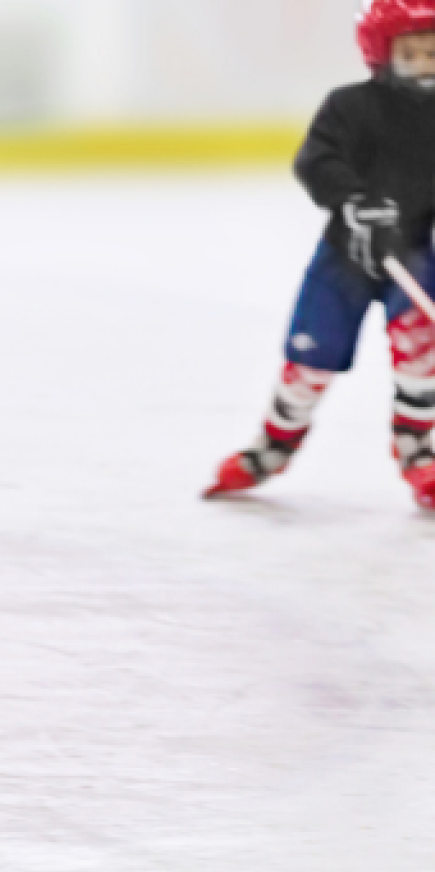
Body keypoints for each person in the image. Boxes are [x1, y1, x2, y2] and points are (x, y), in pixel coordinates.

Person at [206, 0, 435, 509]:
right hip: (344, 260)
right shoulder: (350, 106)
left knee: (422, 355)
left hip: (412, 254)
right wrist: (353, 200)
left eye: (432, 53)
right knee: (312, 359)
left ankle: (418, 452)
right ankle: (273, 446)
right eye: (412, 52)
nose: (424, 63)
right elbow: (317, 158)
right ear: (381, 52)